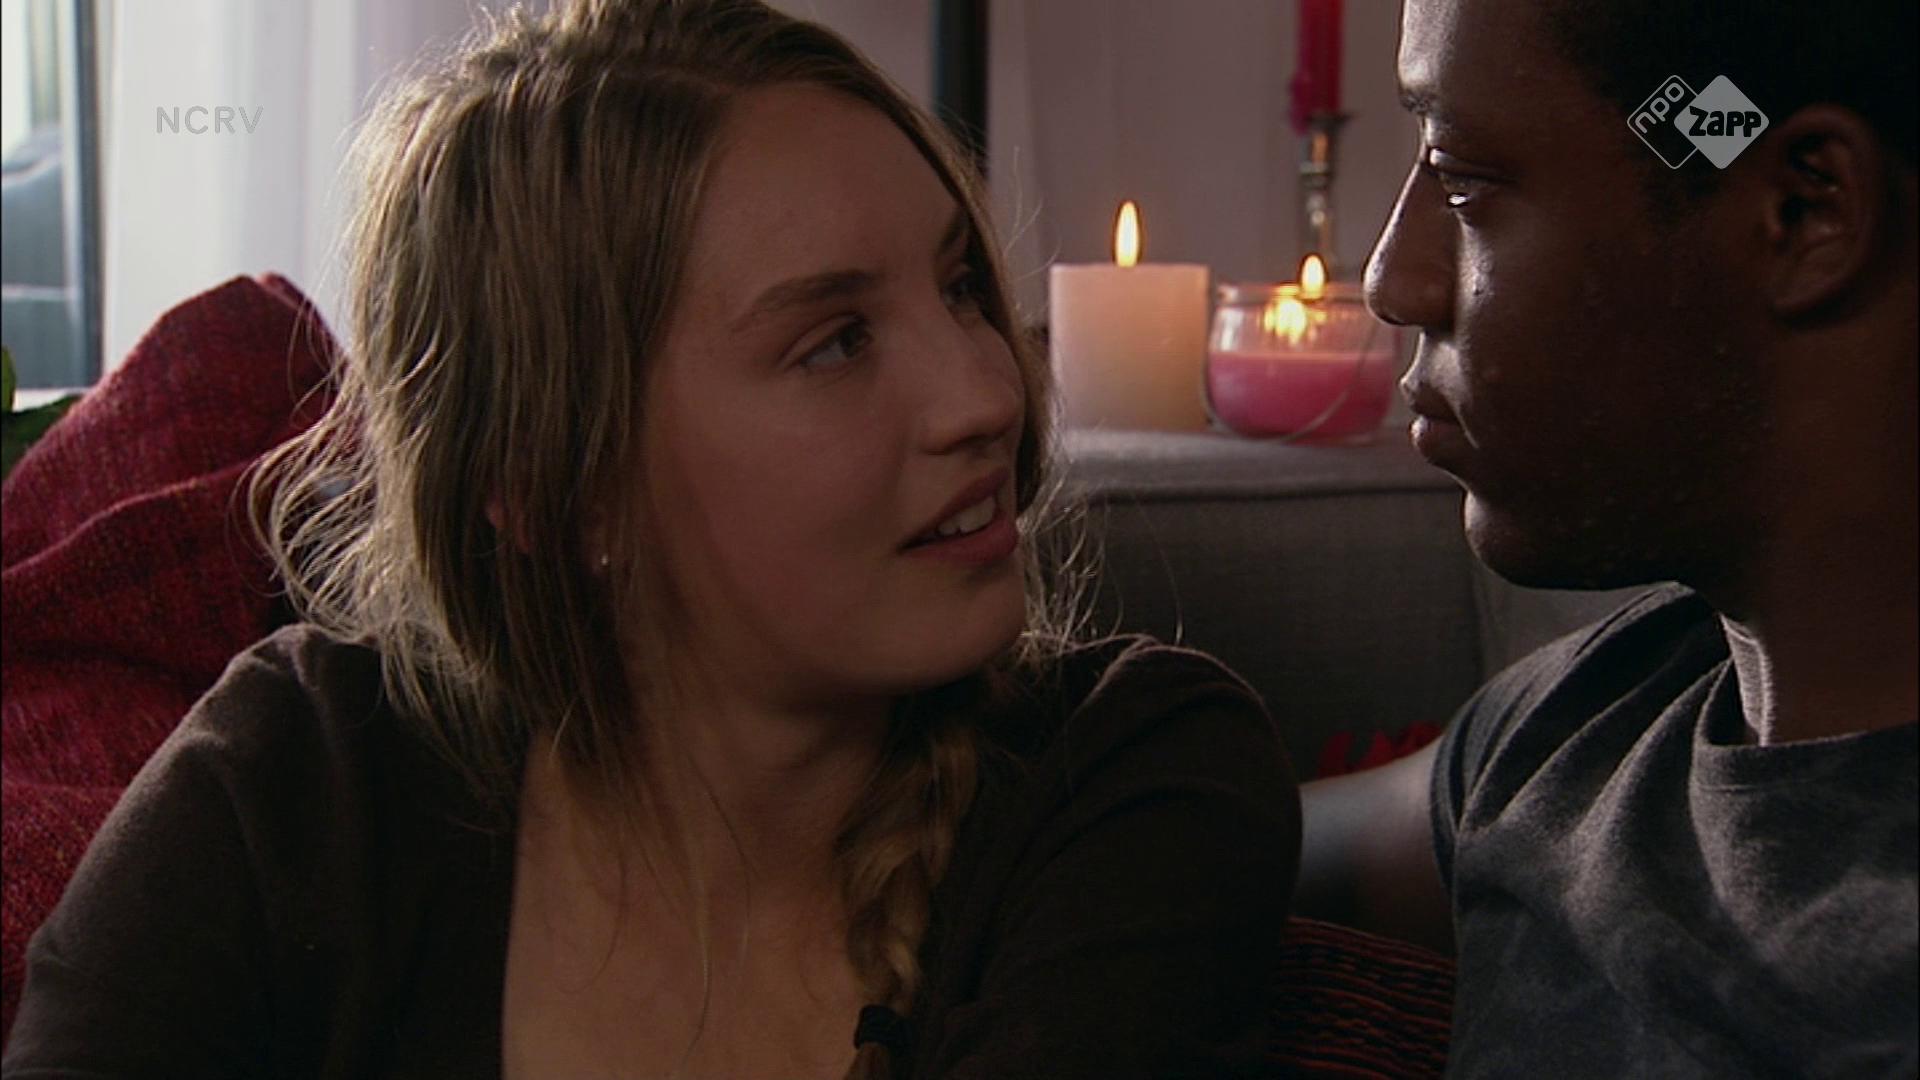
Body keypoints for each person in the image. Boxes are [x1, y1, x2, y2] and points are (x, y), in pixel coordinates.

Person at [2, 2, 1300, 1076]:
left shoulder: (1134, 785)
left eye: (961, 286)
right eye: (835, 342)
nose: (987, 392)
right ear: (557, 489)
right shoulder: (297, 788)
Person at [1295, 0, 1917, 1075]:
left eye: (1461, 179)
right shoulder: (1579, 726)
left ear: (1804, 210)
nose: (1395, 280)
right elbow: (1188, 837)